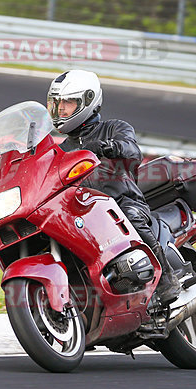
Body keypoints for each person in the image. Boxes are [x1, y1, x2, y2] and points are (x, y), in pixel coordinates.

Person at [46, 69, 182, 304]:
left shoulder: (114, 128)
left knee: (130, 218)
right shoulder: (60, 150)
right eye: (56, 104)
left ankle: (166, 279)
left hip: (122, 202)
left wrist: (111, 147)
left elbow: (133, 152)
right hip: (85, 213)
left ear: (87, 101)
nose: (60, 110)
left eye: (67, 103)